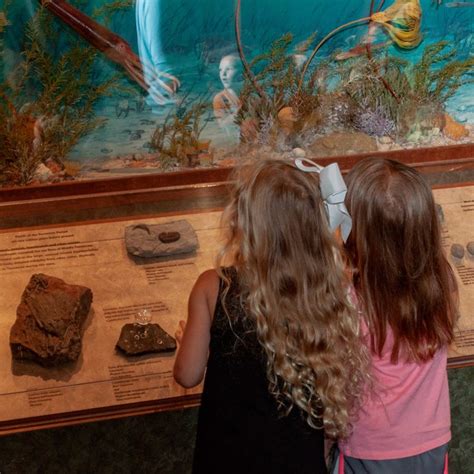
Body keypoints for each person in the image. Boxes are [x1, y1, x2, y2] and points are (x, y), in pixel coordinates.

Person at [173, 158, 369, 474]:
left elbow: (186, 374)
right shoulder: (323, 292)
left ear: (244, 222)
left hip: (228, 459)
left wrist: (198, 344)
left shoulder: (214, 287)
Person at [336, 158, 458, 474]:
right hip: (430, 440)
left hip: (369, 446)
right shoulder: (443, 284)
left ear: (357, 233)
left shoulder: (349, 299)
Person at [212, 54, 242, 133]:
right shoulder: (220, 99)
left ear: (241, 74)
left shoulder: (251, 95)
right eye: (220, 70)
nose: (223, 74)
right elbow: (222, 125)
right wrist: (239, 111)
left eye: (229, 69)